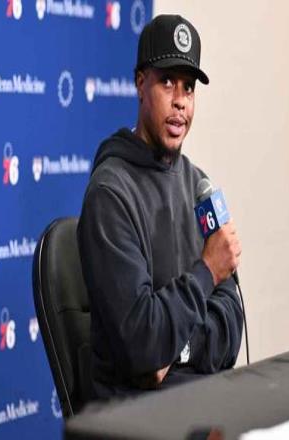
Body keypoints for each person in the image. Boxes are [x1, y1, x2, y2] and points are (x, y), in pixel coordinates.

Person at [77, 14, 242, 402]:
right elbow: (143, 348)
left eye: (189, 87)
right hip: (135, 414)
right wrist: (207, 270)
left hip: (199, 398)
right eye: (167, 82)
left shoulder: (199, 186)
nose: (180, 100)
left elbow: (233, 323)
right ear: (140, 83)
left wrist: (179, 350)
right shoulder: (110, 194)